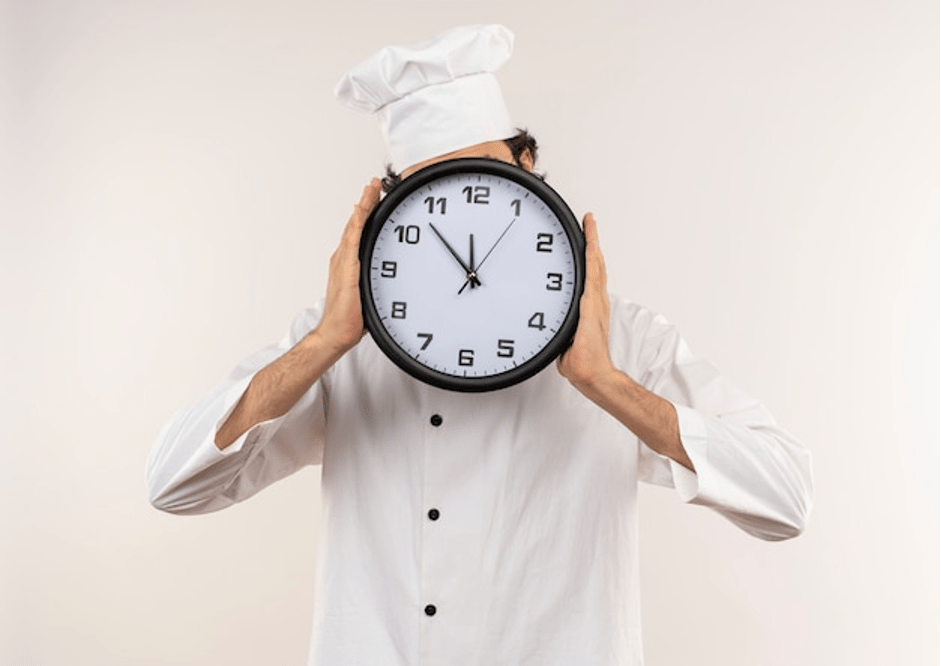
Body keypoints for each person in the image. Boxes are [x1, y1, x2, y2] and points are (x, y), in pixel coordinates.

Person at [147, 24, 813, 666]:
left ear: (527, 169)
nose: (472, 213)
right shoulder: (340, 345)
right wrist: (325, 341)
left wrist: (605, 383)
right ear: (394, 208)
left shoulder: (624, 338)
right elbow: (174, 488)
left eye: (486, 181)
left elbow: (784, 500)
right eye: (437, 194)